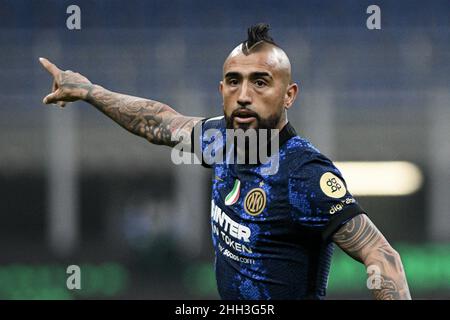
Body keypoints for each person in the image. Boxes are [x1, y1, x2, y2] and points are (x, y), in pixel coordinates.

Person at [39, 23, 411, 300]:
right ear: (221, 90)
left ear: (289, 95)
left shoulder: (304, 174)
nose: (244, 95)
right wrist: (90, 92)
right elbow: (159, 123)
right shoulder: (220, 140)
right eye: (234, 81)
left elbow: (382, 255)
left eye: (261, 82)